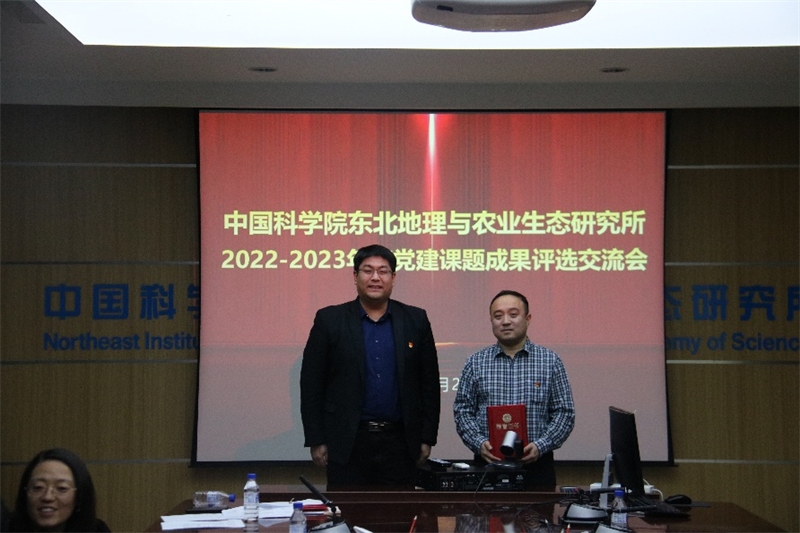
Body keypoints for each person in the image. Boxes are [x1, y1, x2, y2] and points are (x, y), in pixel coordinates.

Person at [300, 244, 440, 488]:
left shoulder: (415, 320)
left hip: (400, 442)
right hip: (347, 442)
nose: (375, 277)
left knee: (398, 511)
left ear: (393, 278)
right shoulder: (329, 320)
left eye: (383, 271)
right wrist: (316, 439)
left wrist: (427, 437)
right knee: (347, 510)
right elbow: (311, 384)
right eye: (368, 270)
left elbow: (429, 383)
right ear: (355, 276)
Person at [453, 290, 575, 488]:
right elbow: (463, 411)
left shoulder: (550, 361)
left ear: (528, 319)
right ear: (491, 321)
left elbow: (564, 413)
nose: (505, 322)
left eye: (513, 314)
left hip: (537, 467)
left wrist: (541, 445)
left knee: (539, 509)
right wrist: (479, 443)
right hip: (488, 466)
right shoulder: (475, 362)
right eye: (498, 316)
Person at [8, 448, 110, 532]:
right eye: (38, 487)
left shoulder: (98, 530)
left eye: (61, 488)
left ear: (79, 495)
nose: (47, 497)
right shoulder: (6, 528)